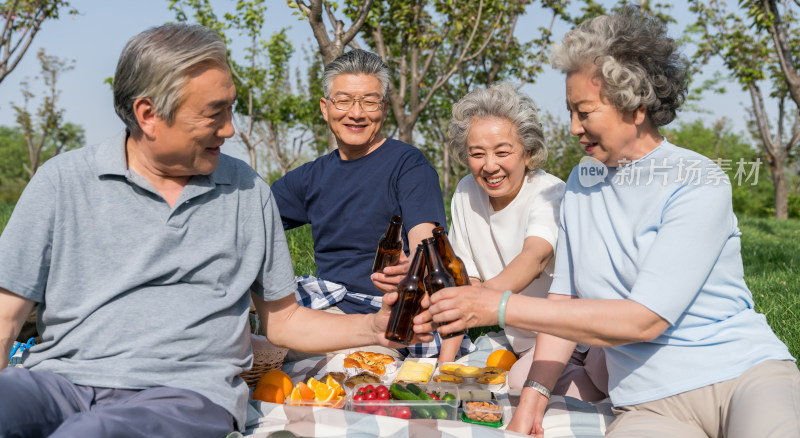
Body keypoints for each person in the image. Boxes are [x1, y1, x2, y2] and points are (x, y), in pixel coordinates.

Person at [0, 24, 432, 438]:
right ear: (148, 114)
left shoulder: (247, 191)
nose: (229, 128)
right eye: (214, 113)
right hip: (57, 381)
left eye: (230, 108)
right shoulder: (63, 181)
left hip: (178, 396)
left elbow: (284, 321)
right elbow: (5, 319)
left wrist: (378, 326)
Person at [426, 6, 800, 438]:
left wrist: (500, 305)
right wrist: (530, 402)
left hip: (741, 375)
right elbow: (561, 306)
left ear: (635, 105)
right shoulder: (582, 184)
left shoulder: (697, 179)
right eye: (570, 111)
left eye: (584, 112)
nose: (572, 127)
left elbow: (645, 319)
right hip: (649, 403)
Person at [271, 49, 465, 360]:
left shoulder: (408, 166)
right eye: (344, 101)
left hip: (388, 315)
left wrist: (413, 266)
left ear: (384, 109)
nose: (357, 113)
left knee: (347, 371)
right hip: (324, 310)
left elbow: (425, 243)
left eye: (369, 102)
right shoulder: (311, 177)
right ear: (325, 108)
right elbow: (252, 219)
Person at [443, 82, 607, 400]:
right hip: (534, 343)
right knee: (520, 381)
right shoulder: (465, 193)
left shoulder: (550, 192)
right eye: (477, 154)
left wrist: (487, 300)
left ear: (527, 153)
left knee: (606, 370)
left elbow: (535, 257)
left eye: (502, 152)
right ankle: (599, 396)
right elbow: (462, 283)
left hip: (585, 332)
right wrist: (443, 368)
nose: (490, 165)